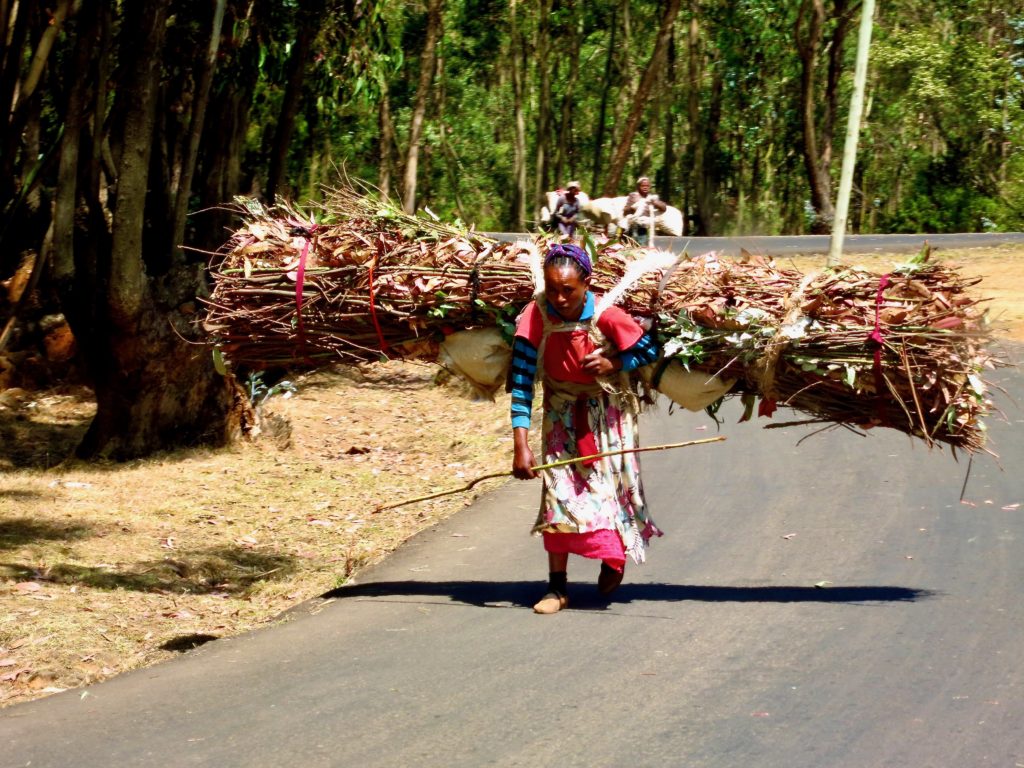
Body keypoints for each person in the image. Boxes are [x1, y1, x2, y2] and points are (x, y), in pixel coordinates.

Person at [509, 243, 662, 614]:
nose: (559, 298)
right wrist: (521, 444)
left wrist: (616, 362)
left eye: (569, 290)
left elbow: (650, 350)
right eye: (552, 288)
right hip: (560, 416)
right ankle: (556, 588)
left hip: (608, 416)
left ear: (587, 284)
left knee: (606, 494)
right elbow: (522, 381)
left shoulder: (606, 315)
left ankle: (613, 558)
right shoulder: (536, 315)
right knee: (558, 496)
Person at [622, 176, 667, 246]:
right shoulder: (633, 196)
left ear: (650, 187)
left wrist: (654, 202)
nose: (645, 187)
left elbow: (664, 208)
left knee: (642, 248)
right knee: (629, 248)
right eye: (643, 186)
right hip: (632, 227)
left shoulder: (651, 198)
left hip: (644, 228)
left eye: (647, 186)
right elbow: (625, 212)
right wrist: (633, 207)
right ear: (638, 187)